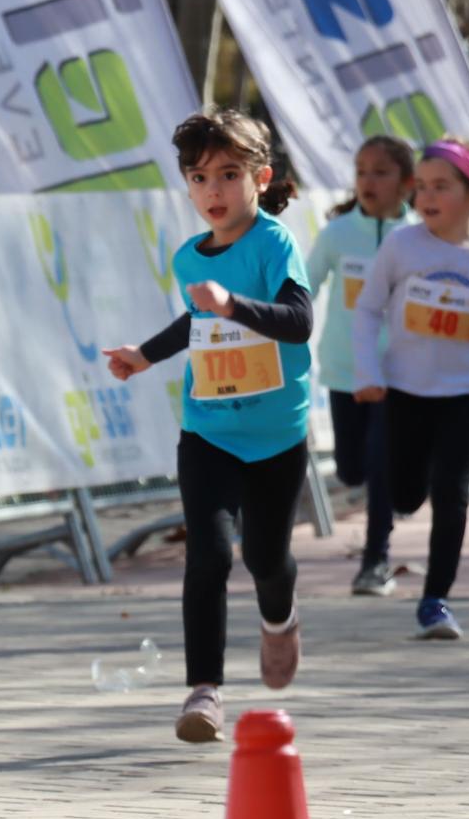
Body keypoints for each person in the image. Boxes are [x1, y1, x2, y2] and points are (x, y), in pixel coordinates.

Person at [102, 110, 314, 745]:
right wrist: (143, 355)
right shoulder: (189, 256)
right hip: (209, 431)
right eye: (199, 178)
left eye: (228, 174)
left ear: (260, 178)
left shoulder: (274, 243)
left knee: (268, 558)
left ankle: (280, 620)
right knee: (210, 556)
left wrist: (235, 306)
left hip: (277, 434)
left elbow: (299, 321)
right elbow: (197, 323)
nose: (213, 191)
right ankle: (205, 691)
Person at [352, 137, 469, 641]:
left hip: (465, 393)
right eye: (422, 188)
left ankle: (436, 601)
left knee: (451, 494)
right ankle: (406, 504)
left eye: (442, 187)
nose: (427, 198)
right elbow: (367, 309)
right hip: (403, 391)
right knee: (406, 492)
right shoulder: (402, 246)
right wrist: (367, 372)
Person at [304, 134, 416, 596]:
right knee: (351, 468)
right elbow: (303, 288)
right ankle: (399, 482)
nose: (368, 181)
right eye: (361, 171)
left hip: (397, 373)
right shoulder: (336, 234)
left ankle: (375, 560)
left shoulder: (418, 237)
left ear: (407, 184)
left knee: (380, 462)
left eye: (381, 172)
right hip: (343, 369)